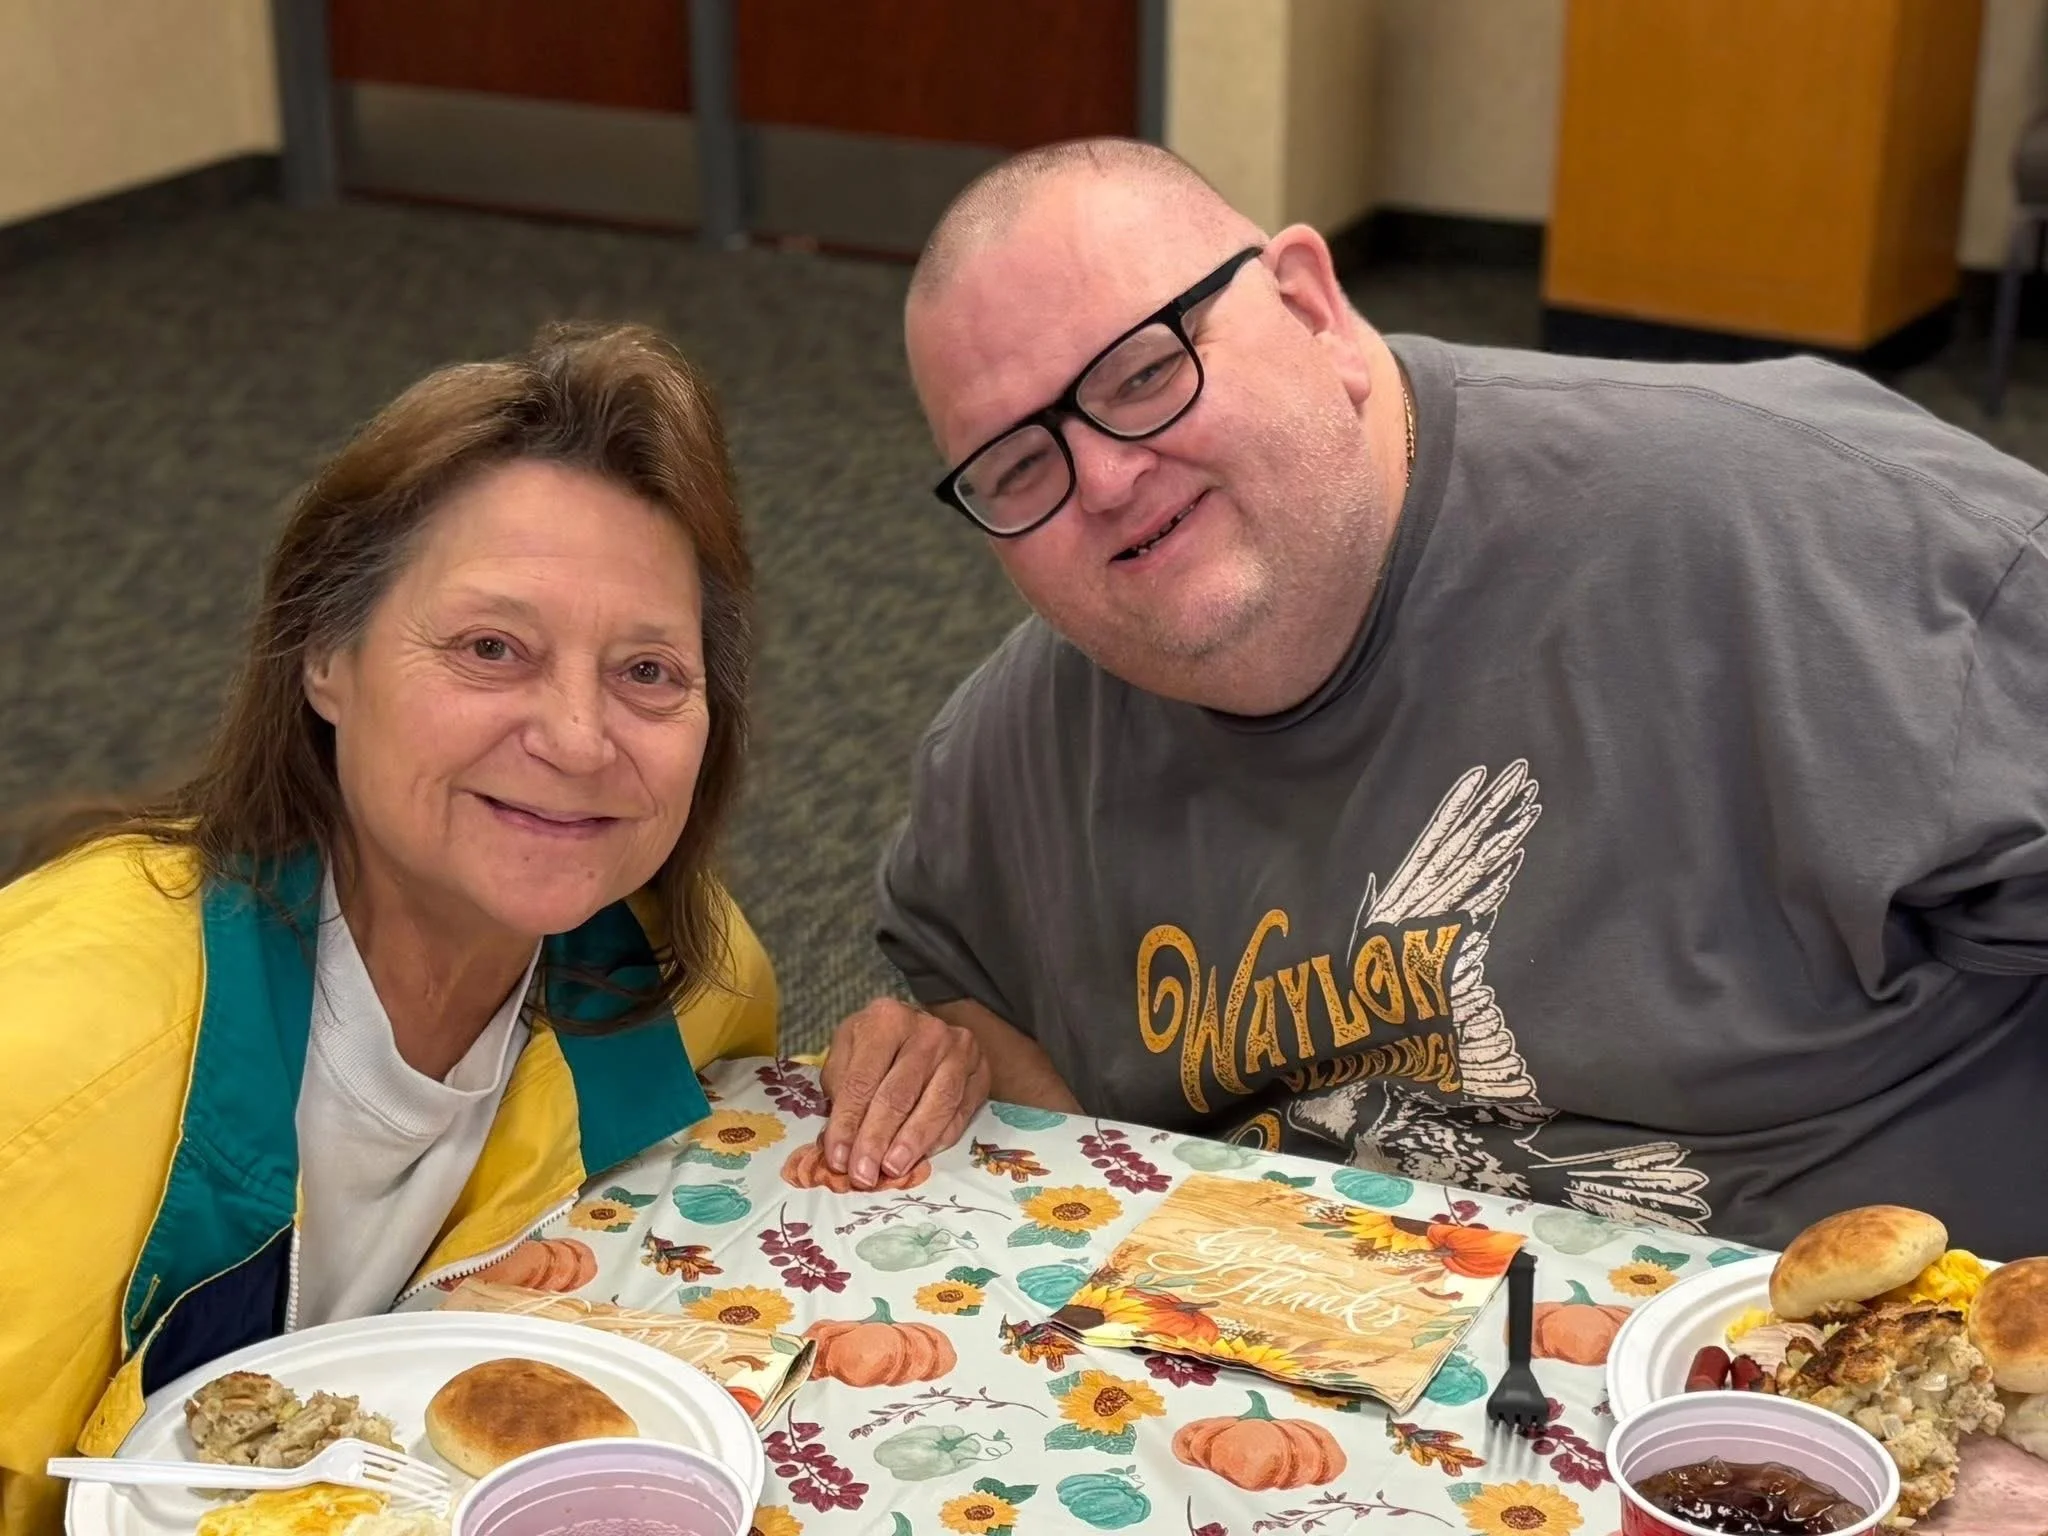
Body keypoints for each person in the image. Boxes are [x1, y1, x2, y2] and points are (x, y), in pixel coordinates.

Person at [819, 138, 2048, 1258]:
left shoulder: (1808, 531)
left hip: (1848, 1396)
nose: (1101, 480)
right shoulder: (1008, 753)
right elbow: (952, 968)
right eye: (1016, 465)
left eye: (1143, 376)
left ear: (1311, 308)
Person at [0, 323, 775, 1536]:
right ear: (324, 656)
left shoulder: (687, 979)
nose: (578, 739)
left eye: (647, 672)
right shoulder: (43, 1055)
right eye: (489, 648)